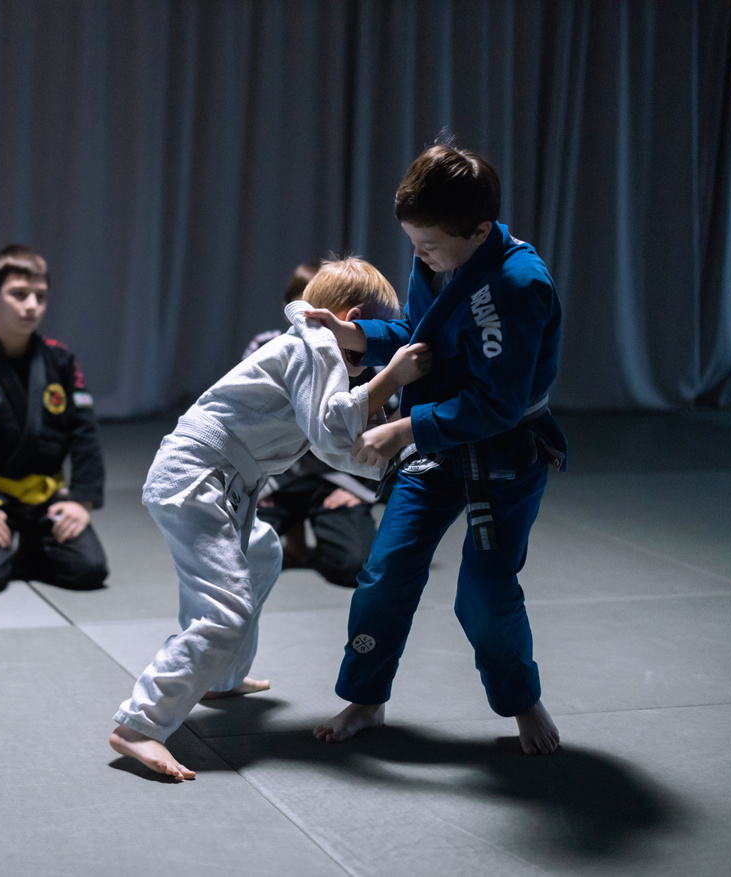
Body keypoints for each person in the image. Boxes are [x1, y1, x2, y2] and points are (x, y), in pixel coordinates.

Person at [109, 258, 431, 779]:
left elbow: (337, 448)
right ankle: (139, 726)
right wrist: (393, 375)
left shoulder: (315, 350)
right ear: (350, 320)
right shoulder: (316, 345)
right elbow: (331, 433)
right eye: (376, 341)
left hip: (225, 482)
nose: (377, 356)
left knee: (262, 552)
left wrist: (394, 460)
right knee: (225, 610)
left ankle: (222, 675)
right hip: (197, 478)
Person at [308, 144, 568, 755]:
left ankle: (520, 699)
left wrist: (403, 429)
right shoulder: (439, 259)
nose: (418, 255)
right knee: (385, 571)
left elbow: (498, 403)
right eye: (414, 243)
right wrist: (356, 334)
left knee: (484, 590)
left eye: (427, 245)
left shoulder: (518, 283)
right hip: (436, 448)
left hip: (504, 450)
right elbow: (419, 338)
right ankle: (366, 698)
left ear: (479, 231)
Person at [0, 244, 108, 594]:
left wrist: (81, 499)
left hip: (47, 496)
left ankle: (34, 543)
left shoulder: (61, 360)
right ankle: (6, 540)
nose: (32, 306)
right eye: (19, 294)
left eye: (40, 296)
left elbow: (85, 434)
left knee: (89, 571)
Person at [244, 263, 385, 587]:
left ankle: (323, 532)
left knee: (355, 566)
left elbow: (385, 433)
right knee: (232, 559)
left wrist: (365, 492)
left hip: (335, 482)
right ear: (289, 310)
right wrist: (252, 484)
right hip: (280, 479)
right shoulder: (265, 347)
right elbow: (250, 424)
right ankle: (291, 529)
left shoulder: (365, 358)